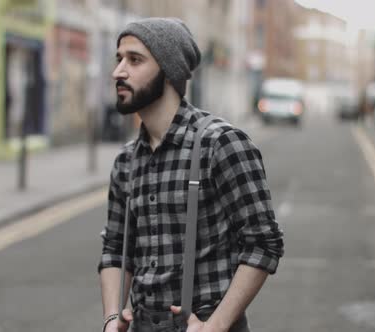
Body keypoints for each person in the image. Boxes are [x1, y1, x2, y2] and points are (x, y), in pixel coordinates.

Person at [98, 17, 284, 332]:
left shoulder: (222, 143)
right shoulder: (126, 161)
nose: (118, 71)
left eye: (135, 60)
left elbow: (263, 243)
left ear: (169, 70)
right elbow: (115, 249)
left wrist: (218, 324)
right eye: (119, 59)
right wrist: (113, 316)